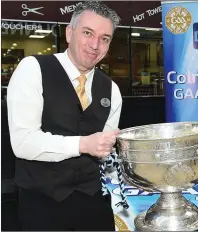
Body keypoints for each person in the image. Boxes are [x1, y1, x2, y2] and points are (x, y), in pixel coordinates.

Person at [7, 1, 123, 231]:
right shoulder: (33, 69)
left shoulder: (112, 89)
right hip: (41, 204)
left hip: (93, 202)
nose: (95, 45)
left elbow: (105, 152)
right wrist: (83, 144)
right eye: (87, 33)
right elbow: (23, 143)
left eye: (105, 38)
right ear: (70, 33)